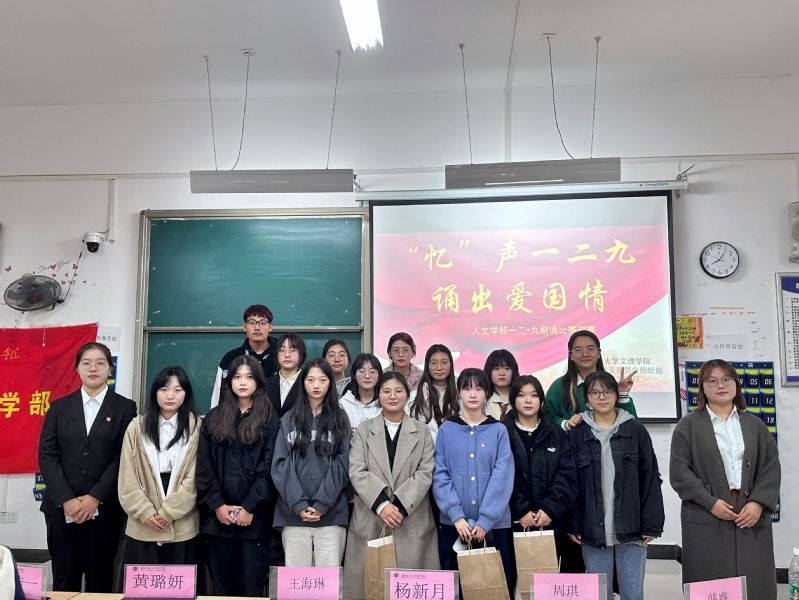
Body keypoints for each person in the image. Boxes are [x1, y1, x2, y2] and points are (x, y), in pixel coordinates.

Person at [670, 359, 780, 599]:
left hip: (749, 513)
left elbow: (770, 468)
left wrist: (758, 503)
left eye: (726, 379)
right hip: (706, 512)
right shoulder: (688, 426)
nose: (720, 385)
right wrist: (710, 502)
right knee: (710, 582)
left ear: (736, 384)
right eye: (712, 381)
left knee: (755, 581)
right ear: (702, 387)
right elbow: (680, 473)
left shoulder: (755, 425)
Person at [37, 342, 137, 592]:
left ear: (110, 369)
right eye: (87, 363)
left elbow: (123, 456)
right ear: (77, 369)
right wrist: (67, 500)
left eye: (100, 363)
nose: (94, 368)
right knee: (64, 580)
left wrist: (95, 497)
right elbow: (47, 455)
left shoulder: (125, 407)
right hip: (62, 510)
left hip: (104, 509)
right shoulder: (59, 407)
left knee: (100, 582)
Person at [343, 372, 439, 599]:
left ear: (407, 395)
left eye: (398, 391)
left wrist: (399, 507)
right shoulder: (364, 430)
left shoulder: (422, 430)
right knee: (369, 588)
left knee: (410, 588)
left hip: (411, 519)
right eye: (386, 391)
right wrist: (382, 505)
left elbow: (425, 472)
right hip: (371, 516)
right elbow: (356, 470)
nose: (392, 396)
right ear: (378, 395)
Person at [568, 371, 664, 600]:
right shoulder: (577, 434)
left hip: (632, 526)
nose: (602, 397)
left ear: (615, 394)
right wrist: (574, 523)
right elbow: (571, 484)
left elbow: (650, 477)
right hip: (592, 527)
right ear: (587, 397)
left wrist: (651, 525)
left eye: (607, 391)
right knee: (600, 594)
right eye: (595, 392)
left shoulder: (635, 430)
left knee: (632, 593)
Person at [196, 355, 280, 596]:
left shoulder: (269, 419)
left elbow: (270, 469)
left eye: (249, 377)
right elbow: (204, 467)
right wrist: (218, 505)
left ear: (258, 381)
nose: (243, 382)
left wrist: (249, 507)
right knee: (221, 589)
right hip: (217, 522)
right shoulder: (213, 418)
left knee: (250, 589)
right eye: (237, 377)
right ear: (229, 381)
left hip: (254, 522)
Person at [433, 368, 515, 596]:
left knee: (495, 588)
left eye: (479, 388)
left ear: (487, 393)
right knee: (456, 588)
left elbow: (503, 476)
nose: (472, 394)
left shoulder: (499, 430)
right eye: (467, 388)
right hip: (454, 525)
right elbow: (440, 474)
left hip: (494, 526)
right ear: (458, 392)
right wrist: (456, 515)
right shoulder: (446, 429)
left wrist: (486, 519)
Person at [118, 366, 201, 570]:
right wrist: (145, 512)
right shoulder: (136, 427)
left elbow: (195, 478)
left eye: (177, 390)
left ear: (186, 394)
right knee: (142, 582)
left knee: (178, 582)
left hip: (182, 520)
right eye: (164, 389)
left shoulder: (197, 428)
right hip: (142, 521)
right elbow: (127, 477)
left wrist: (168, 512)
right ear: (155, 392)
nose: (170, 395)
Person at [272, 359, 351, 567]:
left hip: (332, 515)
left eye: (322, 380)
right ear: (302, 382)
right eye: (310, 380)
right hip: (292, 514)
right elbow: (280, 464)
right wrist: (299, 504)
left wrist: (322, 504)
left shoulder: (340, 419)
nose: (316, 385)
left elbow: (342, 464)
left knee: (328, 580)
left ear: (330, 383)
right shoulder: (288, 419)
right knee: (297, 580)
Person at [503, 375, 578, 570]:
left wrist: (550, 509)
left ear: (542, 400)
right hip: (513, 520)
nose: (528, 400)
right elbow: (500, 477)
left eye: (534, 395)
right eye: (521, 395)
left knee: (547, 580)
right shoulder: (501, 433)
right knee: (515, 580)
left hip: (552, 520)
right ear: (513, 400)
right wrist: (521, 510)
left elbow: (567, 476)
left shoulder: (556, 433)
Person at [546, 330, 637, 431]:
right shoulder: (559, 385)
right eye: (578, 350)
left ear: (599, 353)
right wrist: (566, 424)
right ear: (571, 355)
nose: (585, 354)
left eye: (590, 349)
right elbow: (547, 418)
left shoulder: (609, 384)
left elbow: (632, 425)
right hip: (571, 440)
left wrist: (622, 394)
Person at [211, 304, 278, 408]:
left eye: (262, 323)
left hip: (274, 416)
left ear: (270, 327)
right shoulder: (230, 358)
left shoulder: (282, 357)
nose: (257, 327)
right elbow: (217, 397)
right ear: (244, 326)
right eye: (251, 322)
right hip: (237, 416)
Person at [408, 344, 458, 441]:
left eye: (444, 362)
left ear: (451, 364)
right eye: (434, 363)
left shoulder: (461, 392)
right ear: (427, 365)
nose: (439, 368)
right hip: (426, 448)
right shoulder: (416, 395)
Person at [265, 333, 306, 417]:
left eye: (293, 350)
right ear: (276, 355)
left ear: (301, 354)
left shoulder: (307, 383)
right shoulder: (265, 384)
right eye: (282, 350)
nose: (287, 355)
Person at [340, 353, 384, 431]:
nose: (367, 376)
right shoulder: (343, 404)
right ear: (354, 375)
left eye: (372, 372)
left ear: (379, 376)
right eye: (362, 371)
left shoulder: (385, 404)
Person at [483, 349, 520, 421]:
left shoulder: (520, 397)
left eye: (507, 368)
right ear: (489, 371)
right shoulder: (482, 399)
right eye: (497, 369)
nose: (502, 373)